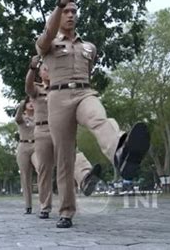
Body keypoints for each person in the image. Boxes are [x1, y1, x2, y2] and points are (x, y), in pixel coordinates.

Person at [35, 0, 150, 228]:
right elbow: (46, 35)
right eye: (66, 11)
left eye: (74, 11)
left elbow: (89, 70)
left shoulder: (89, 47)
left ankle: (121, 151)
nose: (70, 15)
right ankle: (66, 211)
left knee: (99, 118)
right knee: (65, 158)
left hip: (84, 92)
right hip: (57, 98)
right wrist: (60, 1)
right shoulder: (48, 44)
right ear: (58, 14)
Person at [25, 55, 102, 219]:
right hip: (43, 131)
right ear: (41, 74)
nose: (49, 71)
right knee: (45, 170)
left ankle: (85, 178)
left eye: (51, 68)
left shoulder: (64, 89)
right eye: (45, 69)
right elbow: (27, 86)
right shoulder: (37, 90)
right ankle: (45, 206)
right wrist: (32, 68)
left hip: (61, 127)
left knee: (72, 157)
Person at [15, 97, 39, 214]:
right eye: (28, 102)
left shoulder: (39, 116)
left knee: (41, 168)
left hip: (36, 146)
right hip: (23, 147)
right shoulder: (22, 118)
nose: (31, 104)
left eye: (32, 102)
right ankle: (28, 206)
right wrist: (21, 104)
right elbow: (17, 118)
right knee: (25, 177)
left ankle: (44, 203)